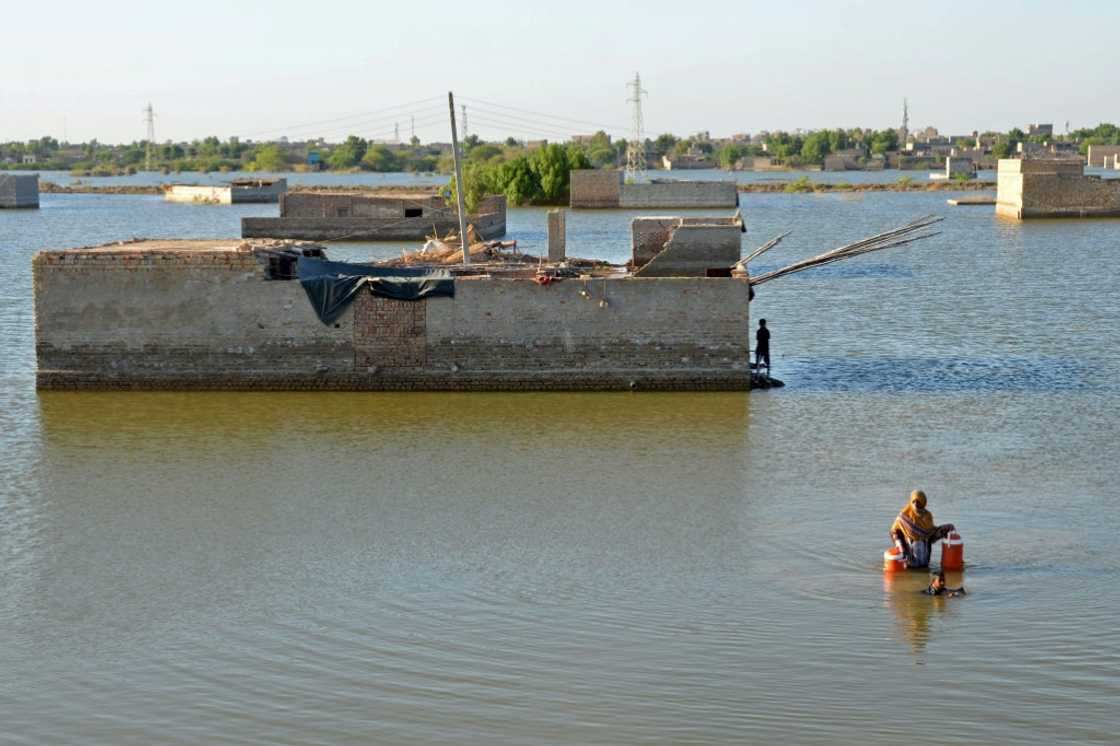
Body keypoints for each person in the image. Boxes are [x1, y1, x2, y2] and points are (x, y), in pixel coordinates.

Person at [890, 489, 955, 569]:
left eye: (918, 501)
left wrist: (944, 530)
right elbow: (894, 533)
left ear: (923, 503)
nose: (916, 504)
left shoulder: (928, 516)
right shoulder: (904, 517)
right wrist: (903, 549)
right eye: (914, 501)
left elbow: (931, 535)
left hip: (925, 559)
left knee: (925, 576)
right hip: (910, 560)